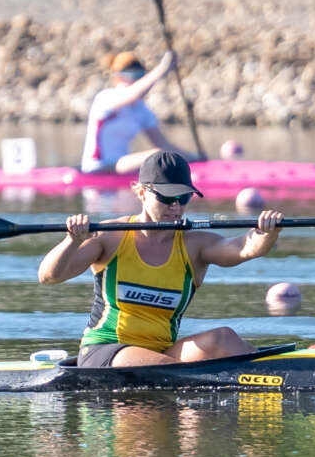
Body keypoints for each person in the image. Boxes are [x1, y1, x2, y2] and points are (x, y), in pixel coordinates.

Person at [39, 151, 283, 367]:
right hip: (105, 351)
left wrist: (266, 233)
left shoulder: (195, 245)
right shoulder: (110, 236)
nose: (176, 207)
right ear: (142, 192)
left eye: (183, 198)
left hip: (162, 353)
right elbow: (49, 277)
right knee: (176, 372)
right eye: (167, 198)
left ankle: (278, 367)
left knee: (223, 338)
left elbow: (244, 248)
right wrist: (72, 240)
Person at [80, 50, 203, 174]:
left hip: (123, 165)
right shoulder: (106, 98)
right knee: (160, 155)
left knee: (165, 154)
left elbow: (164, 145)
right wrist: (163, 68)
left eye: (139, 76)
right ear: (117, 76)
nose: (135, 80)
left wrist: (194, 159)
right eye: (130, 76)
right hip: (98, 166)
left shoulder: (141, 110)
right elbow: (134, 93)